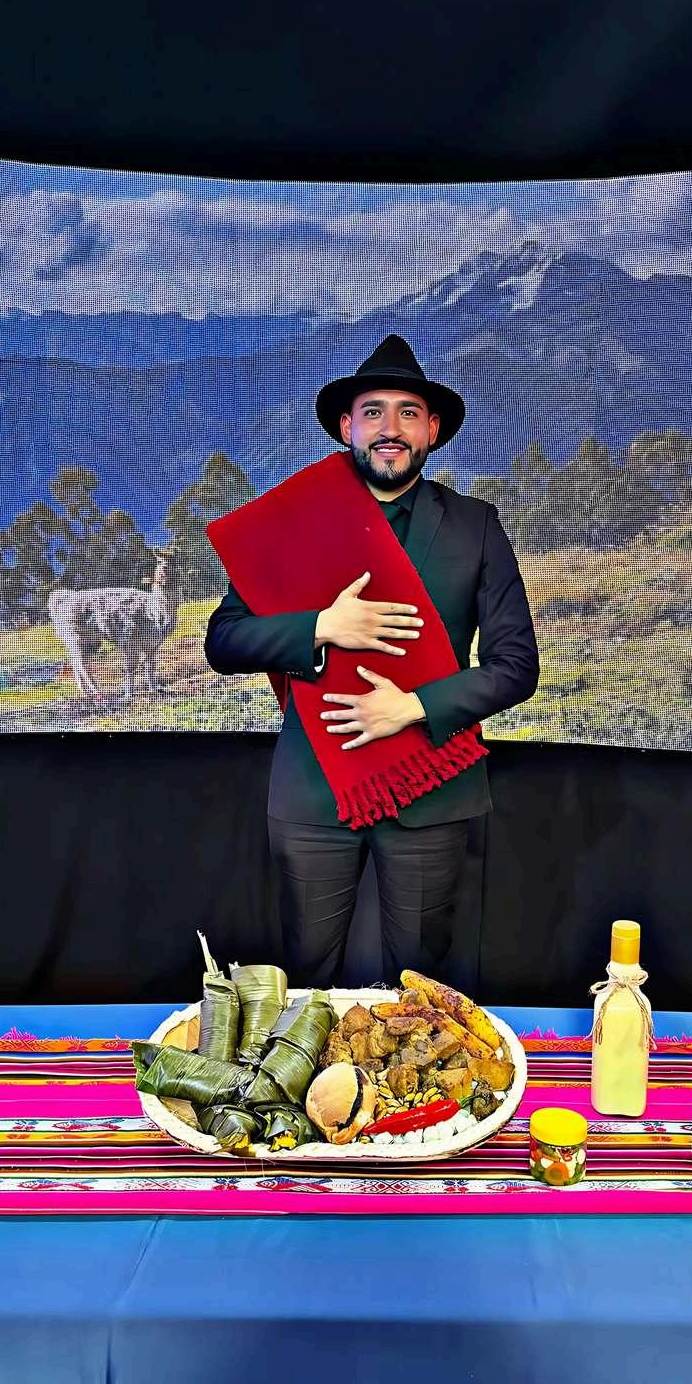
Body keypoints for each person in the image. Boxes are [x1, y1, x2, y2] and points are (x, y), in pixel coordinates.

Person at [205, 333, 539, 987]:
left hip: (432, 788)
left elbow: (515, 666)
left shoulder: (474, 525)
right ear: (346, 427)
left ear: (432, 430)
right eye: (373, 412)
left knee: (418, 987)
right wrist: (321, 627)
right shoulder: (297, 524)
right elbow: (224, 641)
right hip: (314, 789)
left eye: (408, 413)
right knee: (304, 983)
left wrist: (412, 707)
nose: (390, 428)